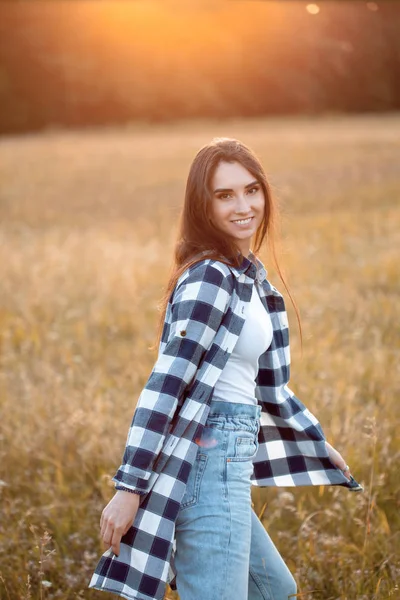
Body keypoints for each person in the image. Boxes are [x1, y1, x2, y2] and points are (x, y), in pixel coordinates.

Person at [89, 138, 362, 600]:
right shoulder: (210, 277)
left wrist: (318, 441)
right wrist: (129, 487)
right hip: (208, 457)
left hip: (224, 456)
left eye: (251, 190)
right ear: (203, 205)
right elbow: (166, 385)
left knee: (274, 590)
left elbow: (264, 388)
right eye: (225, 195)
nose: (244, 205)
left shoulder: (247, 278)